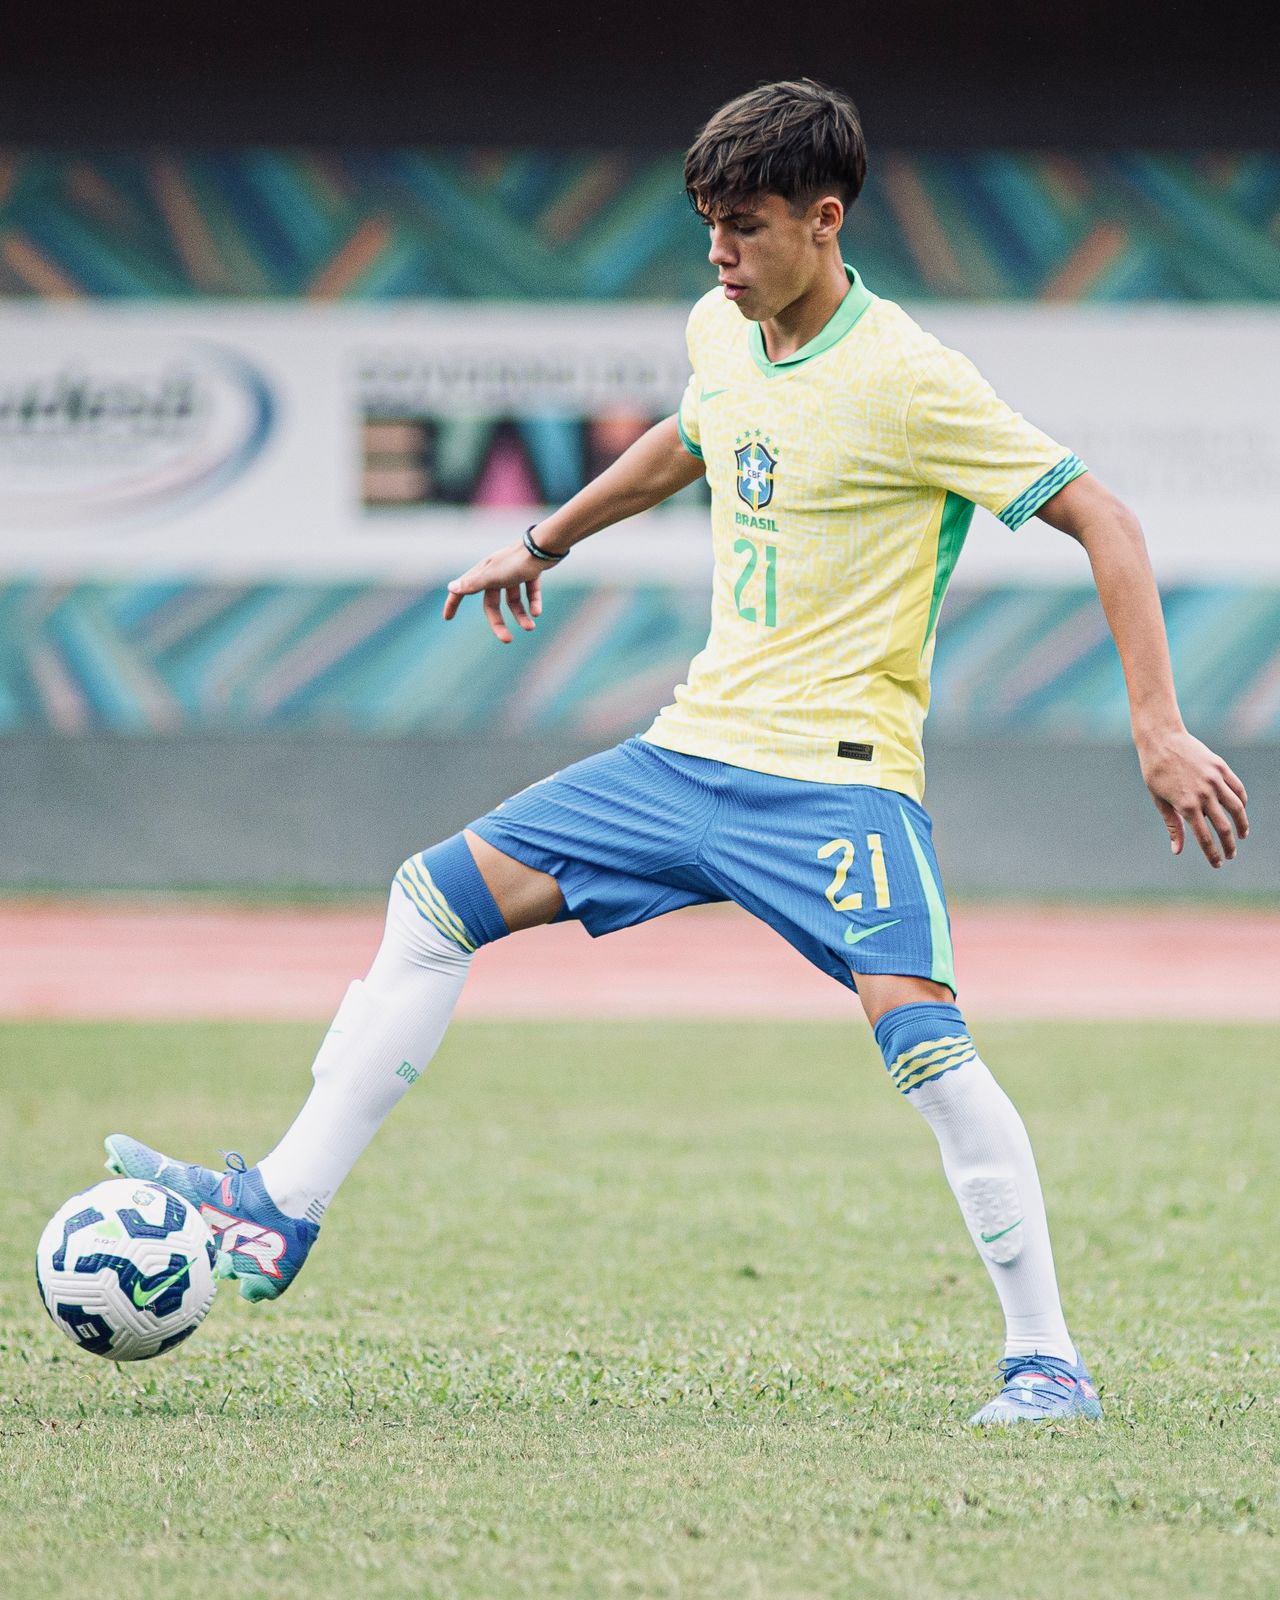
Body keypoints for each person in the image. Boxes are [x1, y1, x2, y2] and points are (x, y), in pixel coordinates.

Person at [106, 79, 1249, 1425]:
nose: (719, 253)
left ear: (826, 221)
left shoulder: (912, 379)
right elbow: (692, 439)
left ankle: (1046, 1363)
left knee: (928, 1054)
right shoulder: (723, 329)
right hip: (686, 753)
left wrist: (1158, 726)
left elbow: (1106, 519)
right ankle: (281, 1205)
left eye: (746, 226)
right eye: (709, 224)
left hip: (833, 781)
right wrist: (542, 540)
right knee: (432, 901)